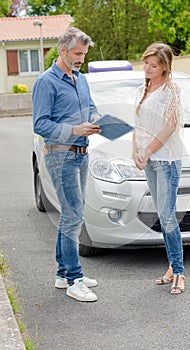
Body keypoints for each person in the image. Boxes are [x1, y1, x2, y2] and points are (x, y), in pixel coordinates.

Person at [32, 27, 102, 302]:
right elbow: (40, 124)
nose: (81, 59)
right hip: (60, 155)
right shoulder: (45, 82)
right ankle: (75, 278)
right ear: (62, 50)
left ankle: (63, 274)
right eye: (77, 53)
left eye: (84, 54)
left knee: (71, 214)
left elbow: (91, 108)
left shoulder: (81, 79)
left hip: (82, 153)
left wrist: (99, 121)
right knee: (74, 216)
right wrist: (75, 129)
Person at [132, 43, 185, 294]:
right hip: (150, 162)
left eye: (153, 65)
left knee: (168, 216)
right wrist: (136, 152)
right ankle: (172, 266)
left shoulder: (170, 90)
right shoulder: (143, 88)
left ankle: (180, 271)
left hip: (167, 161)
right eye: (146, 64)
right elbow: (138, 124)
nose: (148, 69)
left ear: (164, 67)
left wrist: (149, 150)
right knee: (163, 218)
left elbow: (170, 126)